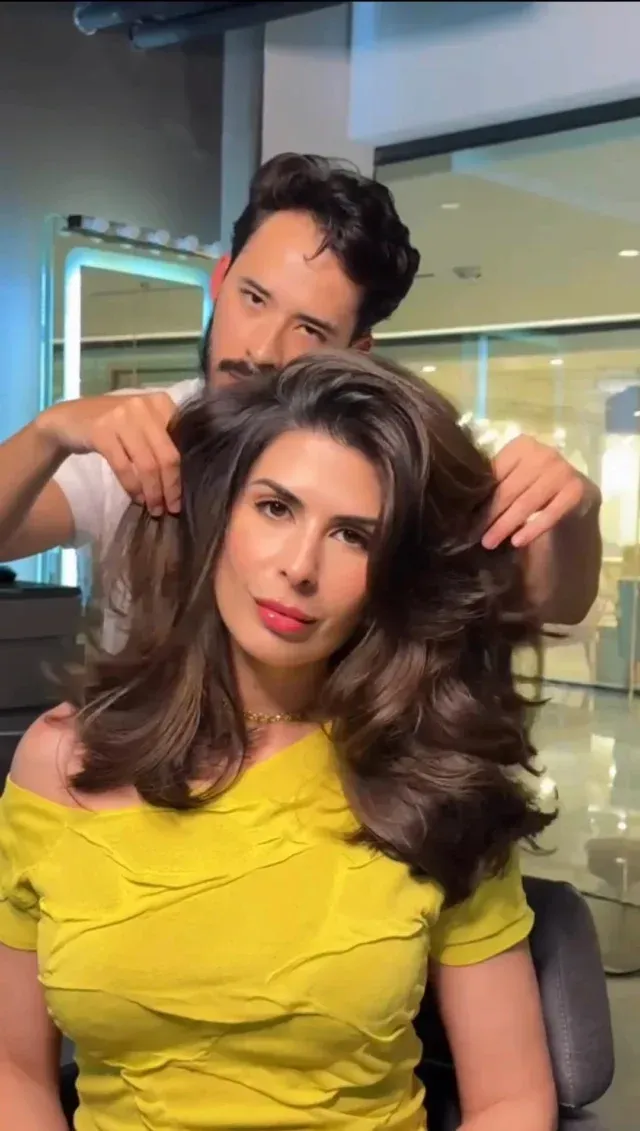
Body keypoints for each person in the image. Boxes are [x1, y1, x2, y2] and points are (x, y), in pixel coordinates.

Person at [0, 351, 557, 1131]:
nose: (299, 566)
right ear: (216, 514)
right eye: (274, 508)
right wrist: (53, 427)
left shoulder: (433, 775)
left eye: (354, 535)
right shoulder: (63, 762)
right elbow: (14, 1071)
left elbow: (511, 1100)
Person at [0, 153, 600, 632]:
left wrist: (577, 513)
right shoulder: (143, 439)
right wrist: (48, 432)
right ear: (222, 276)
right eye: (253, 298)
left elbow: (554, 604)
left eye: (309, 328)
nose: (261, 349)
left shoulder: (376, 466)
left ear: (353, 352)